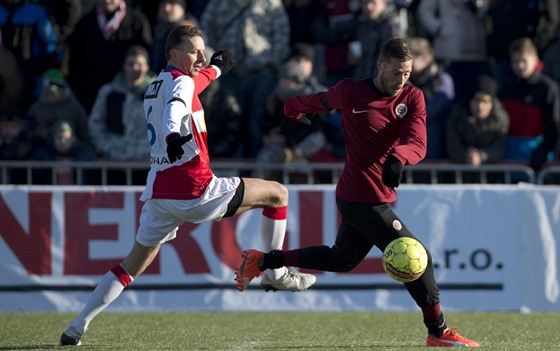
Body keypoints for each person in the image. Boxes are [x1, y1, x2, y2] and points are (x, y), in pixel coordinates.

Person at [59, 25, 316, 346]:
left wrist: (217, 67)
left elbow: (194, 84)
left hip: (158, 195)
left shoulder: (155, 85)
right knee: (278, 194)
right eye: (194, 50)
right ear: (173, 54)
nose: (201, 56)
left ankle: (77, 325)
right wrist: (173, 136)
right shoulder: (180, 84)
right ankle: (276, 273)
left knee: (129, 267)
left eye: (203, 50)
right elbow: (176, 109)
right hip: (195, 189)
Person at [235, 38, 480, 348]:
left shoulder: (413, 96)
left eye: (406, 73)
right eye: (395, 72)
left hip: (373, 196)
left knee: (342, 259)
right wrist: (292, 109)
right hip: (359, 197)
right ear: (379, 65)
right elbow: (319, 100)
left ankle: (263, 261)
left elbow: (417, 142)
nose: (401, 80)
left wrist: (398, 157)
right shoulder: (351, 91)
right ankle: (438, 331)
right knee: (419, 259)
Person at [499, 37, 560, 171]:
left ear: (535, 59)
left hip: (537, 160)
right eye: (515, 61)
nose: (520, 66)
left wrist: (542, 153)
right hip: (510, 158)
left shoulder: (548, 89)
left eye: (524, 61)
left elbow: (553, 125)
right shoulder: (507, 88)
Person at [446, 75, 510, 180]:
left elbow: (499, 148)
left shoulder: (501, 118)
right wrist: (466, 155)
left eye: (485, 101)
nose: (480, 107)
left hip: (491, 178)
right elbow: (452, 146)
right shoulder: (456, 116)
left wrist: (481, 156)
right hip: (460, 177)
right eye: (476, 101)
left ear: (492, 103)